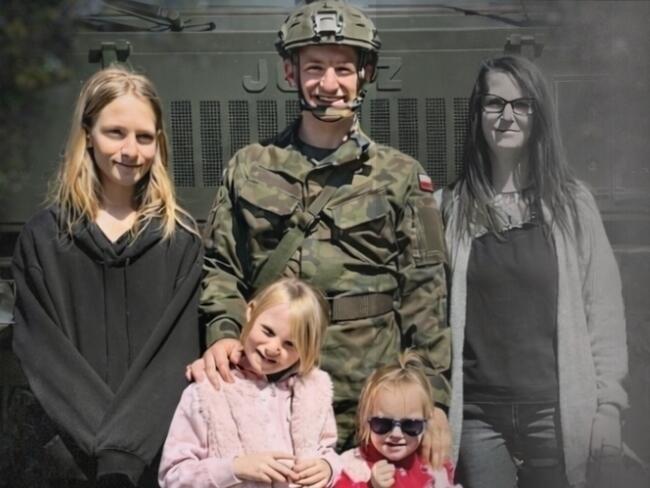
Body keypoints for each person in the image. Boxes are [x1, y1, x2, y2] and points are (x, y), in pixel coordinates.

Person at [191, 0, 451, 460]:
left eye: (343, 69)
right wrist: (225, 334)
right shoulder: (249, 168)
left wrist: (433, 401)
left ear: (365, 74)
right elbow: (221, 268)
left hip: (371, 401)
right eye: (314, 68)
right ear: (290, 72)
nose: (328, 84)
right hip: (271, 392)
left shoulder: (402, 176)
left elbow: (424, 294)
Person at [435, 55, 628, 488]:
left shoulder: (573, 205)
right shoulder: (448, 207)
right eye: (494, 103)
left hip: (556, 413)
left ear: (538, 114)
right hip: (478, 419)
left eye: (521, 104)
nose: (507, 116)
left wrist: (609, 407)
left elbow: (604, 313)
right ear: (478, 113)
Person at [11, 66, 203, 487]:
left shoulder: (180, 241)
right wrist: (110, 449)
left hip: (156, 460)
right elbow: (44, 355)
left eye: (144, 137)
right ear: (88, 135)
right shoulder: (44, 238)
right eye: (115, 133)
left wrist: (124, 454)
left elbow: (175, 355)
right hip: (65, 459)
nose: (130, 150)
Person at [158, 278, 340, 488]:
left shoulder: (313, 391)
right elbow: (173, 476)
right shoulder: (208, 390)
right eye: (268, 332)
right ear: (251, 311)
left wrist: (328, 467)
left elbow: (327, 450)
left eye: (290, 344)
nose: (273, 348)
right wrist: (235, 468)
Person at [335, 351, 460, 487]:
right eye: (383, 424)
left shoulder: (434, 467)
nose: (396, 434)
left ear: (426, 423)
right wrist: (370, 485)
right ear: (366, 420)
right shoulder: (353, 466)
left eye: (410, 425)